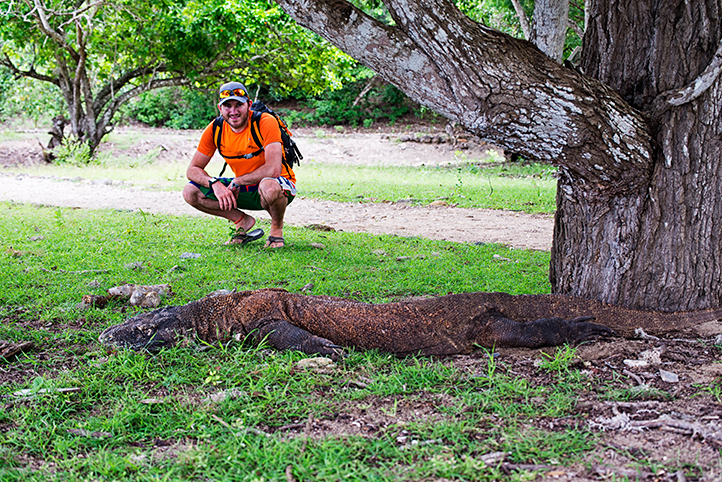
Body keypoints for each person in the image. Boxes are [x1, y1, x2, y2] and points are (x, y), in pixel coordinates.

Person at [182, 81, 296, 248]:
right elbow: (192, 170)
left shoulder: (265, 122)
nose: (233, 111)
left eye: (239, 105)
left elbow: (273, 169)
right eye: (227, 106)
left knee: (268, 186)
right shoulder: (215, 128)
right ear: (220, 108)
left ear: (249, 105)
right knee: (190, 191)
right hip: (242, 189)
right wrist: (214, 184)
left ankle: (276, 231)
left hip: (277, 187)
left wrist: (238, 181)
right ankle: (242, 221)